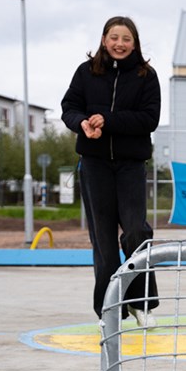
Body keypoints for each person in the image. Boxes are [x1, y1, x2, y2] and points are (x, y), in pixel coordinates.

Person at [61, 16, 161, 327]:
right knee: (102, 240)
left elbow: (149, 119)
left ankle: (140, 303)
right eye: (114, 37)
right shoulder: (85, 72)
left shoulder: (147, 76)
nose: (120, 43)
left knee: (136, 232)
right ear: (104, 39)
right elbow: (69, 107)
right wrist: (82, 123)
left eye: (126, 38)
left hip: (131, 166)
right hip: (94, 165)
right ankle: (109, 309)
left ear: (135, 43)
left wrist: (108, 120)